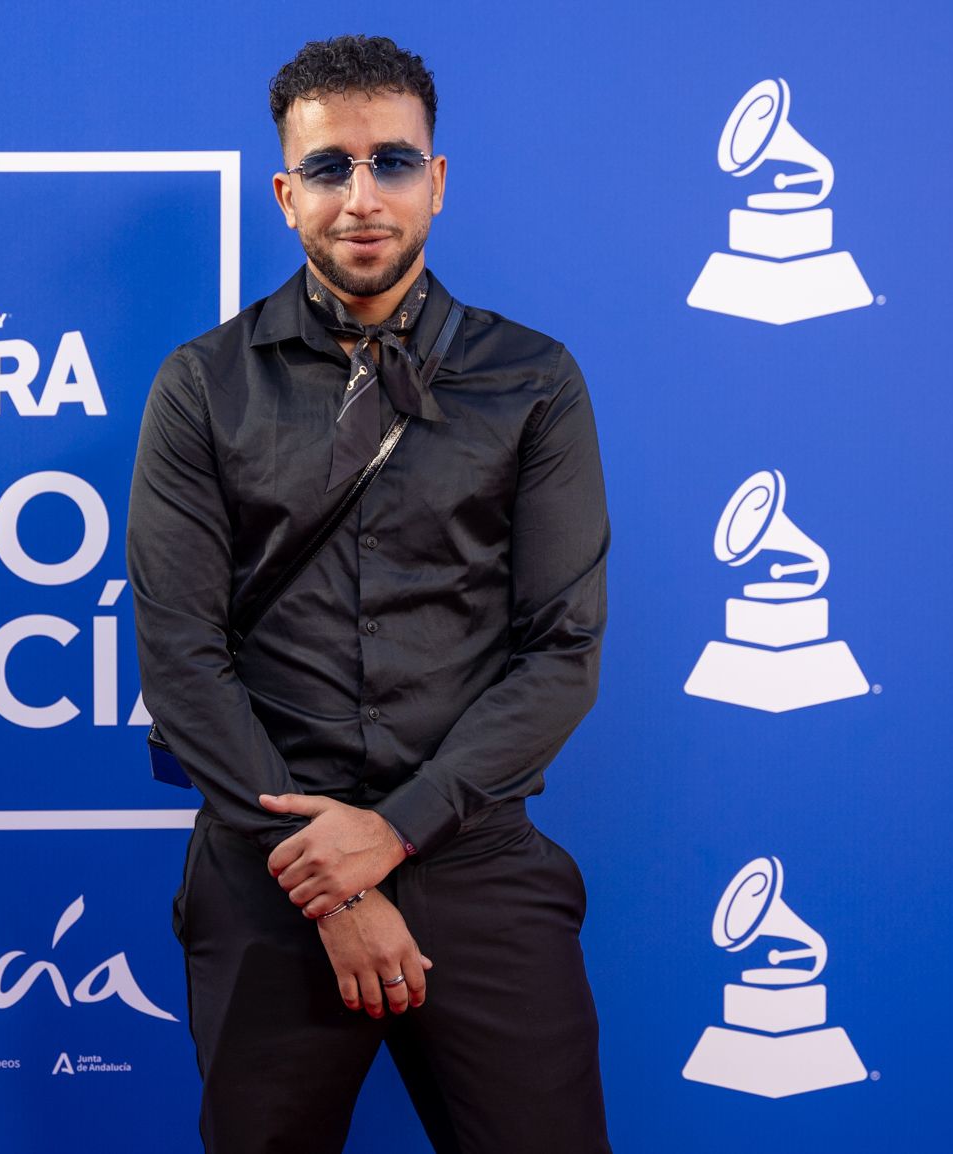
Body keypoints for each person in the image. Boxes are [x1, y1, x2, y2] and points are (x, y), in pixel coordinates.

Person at [127, 34, 612, 1153]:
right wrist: (336, 886)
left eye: (392, 162)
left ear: (436, 182)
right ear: (285, 193)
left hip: (476, 860)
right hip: (270, 870)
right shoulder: (202, 385)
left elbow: (563, 650)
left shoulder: (533, 380)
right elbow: (182, 658)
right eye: (331, 169)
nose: (363, 196)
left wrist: (390, 836)